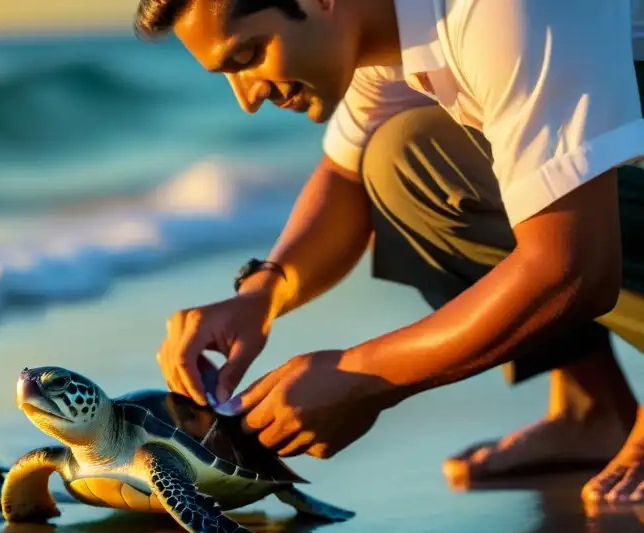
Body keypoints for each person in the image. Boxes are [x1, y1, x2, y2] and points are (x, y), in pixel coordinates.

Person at [139, 0, 644, 503]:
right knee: (404, 161)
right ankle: (591, 410)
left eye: (248, 54)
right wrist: (261, 295)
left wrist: (363, 377)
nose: (247, 98)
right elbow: (346, 176)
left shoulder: (507, 11)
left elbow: (572, 268)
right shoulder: (386, 30)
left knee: (543, 233)